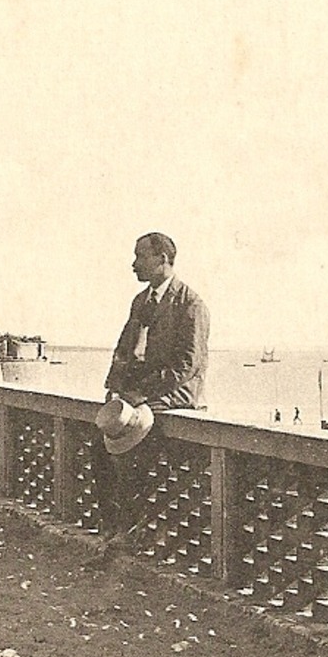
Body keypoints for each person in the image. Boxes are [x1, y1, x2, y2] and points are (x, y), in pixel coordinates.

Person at [98, 232, 210, 541]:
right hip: (139, 391)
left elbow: (187, 366)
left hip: (173, 393)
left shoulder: (190, 304)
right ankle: (114, 527)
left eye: (140, 256)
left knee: (133, 449)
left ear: (162, 259)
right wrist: (115, 385)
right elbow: (123, 349)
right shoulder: (141, 301)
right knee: (101, 442)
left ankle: (129, 531)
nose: (133, 264)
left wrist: (141, 394)